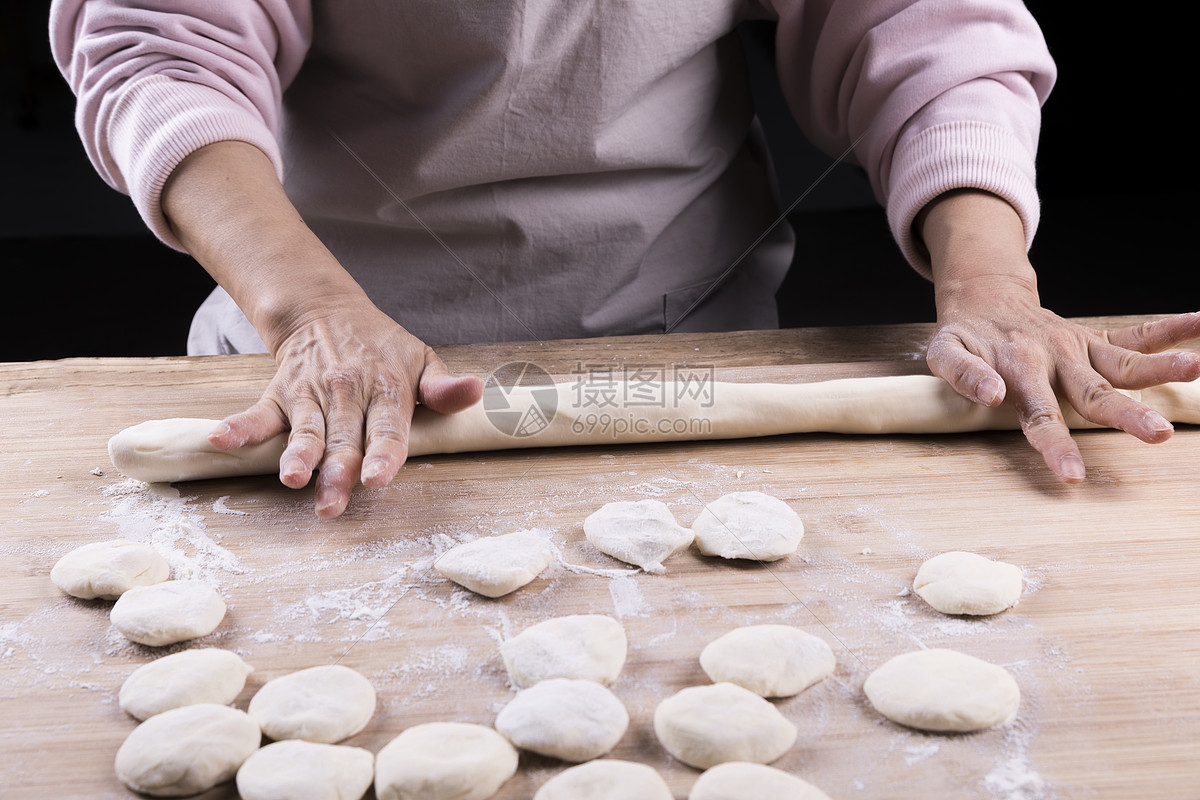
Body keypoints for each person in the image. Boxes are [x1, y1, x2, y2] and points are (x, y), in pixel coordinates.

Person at [51, 1, 1200, 518]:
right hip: (326, 391)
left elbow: (924, 30)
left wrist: (994, 286)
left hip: (703, 361)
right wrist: (310, 313)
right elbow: (161, 51)